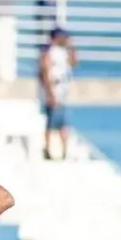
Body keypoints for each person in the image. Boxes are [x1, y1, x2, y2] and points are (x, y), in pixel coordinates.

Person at [38, 27, 76, 160]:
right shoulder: (49, 53)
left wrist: (72, 47)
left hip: (63, 91)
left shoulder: (64, 52)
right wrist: (50, 94)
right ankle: (48, 150)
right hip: (54, 90)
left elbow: (74, 63)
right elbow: (46, 73)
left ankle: (64, 151)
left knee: (63, 123)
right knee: (52, 122)